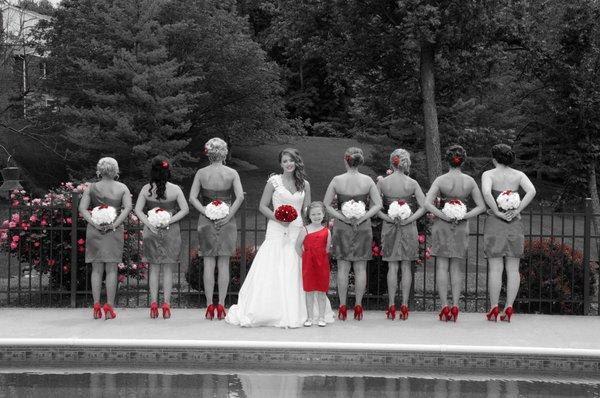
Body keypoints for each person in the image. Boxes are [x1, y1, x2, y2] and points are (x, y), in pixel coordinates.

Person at [225, 148, 334, 327]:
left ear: (296, 162)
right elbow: (262, 206)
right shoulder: (274, 182)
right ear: (280, 164)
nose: (288, 164)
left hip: (297, 228)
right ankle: (269, 310)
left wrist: (312, 226)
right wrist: (279, 218)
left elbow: (306, 210)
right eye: (285, 161)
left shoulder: (304, 184)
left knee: (298, 264)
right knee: (273, 264)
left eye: (291, 160)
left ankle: (305, 312)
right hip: (277, 228)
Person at [424, 145, 486, 322]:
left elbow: (427, 203)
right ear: (463, 160)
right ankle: (456, 306)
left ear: (447, 160)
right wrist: (463, 215)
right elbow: (481, 206)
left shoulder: (440, 180)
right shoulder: (469, 181)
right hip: (461, 226)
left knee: (442, 266)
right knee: (456, 267)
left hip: (442, 225)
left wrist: (443, 214)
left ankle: (444, 307)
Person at [323, 147, 382, 320]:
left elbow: (326, 204)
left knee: (343, 268)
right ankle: (358, 306)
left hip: (342, 226)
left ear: (345, 160)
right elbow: (377, 205)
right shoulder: (368, 180)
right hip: (363, 227)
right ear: (360, 161)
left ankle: (342, 307)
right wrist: (364, 216)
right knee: (360, 268)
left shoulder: (337, 180)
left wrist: (343, 217)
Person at [189, 138, 244, 320]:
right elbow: (239, 198)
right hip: (227, 221)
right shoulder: (232, 173)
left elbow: (192, 198)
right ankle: (221, 304)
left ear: (208, 152)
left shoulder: (201, 173)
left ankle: (208, 306)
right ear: (225, 152)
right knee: (223, 263)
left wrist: (206, 211)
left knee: (208, 263)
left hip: (206, 221)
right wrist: (228, 216)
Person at [482, 144, 536, 322]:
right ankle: (509, 307)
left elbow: (486, 192)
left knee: (495, 268)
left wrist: (496, 211)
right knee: (513, 269)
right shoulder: (518, 175)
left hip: (495, 224)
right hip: (514, 223)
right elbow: (532, 191)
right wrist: (517, 209)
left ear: (495, 158)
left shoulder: (488, 174)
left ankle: (494, 307)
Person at [134, 157, 189, 319]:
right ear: (167, 172)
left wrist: (149, 224)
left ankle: (153, 304)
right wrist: (169, 220)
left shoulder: (146, 189)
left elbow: (138, 210)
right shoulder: (175, 189)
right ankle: (166, 304)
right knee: (168, 269)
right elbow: (184, 210)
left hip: (151, 231)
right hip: (171, 231)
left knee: (154, 269)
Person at [79, 157, 132, 320]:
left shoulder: (91, 187)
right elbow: (128, 208)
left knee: (96, 270)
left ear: (99, 170)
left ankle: (96, 305)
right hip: (113, 231)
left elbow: (82, 208)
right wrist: (114, 224)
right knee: (111, 269)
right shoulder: (122, 187)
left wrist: (94, 222)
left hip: (95, 230)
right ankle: (109, 305)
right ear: (115, 171)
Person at [377, 149, 425, 321]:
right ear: (407, 163)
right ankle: (404, 305)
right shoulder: (412, 183)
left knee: (392, 267)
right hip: (408, 227)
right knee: (406, 267)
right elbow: (424, 206)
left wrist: (387, 217)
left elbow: (375, 208)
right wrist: (409, 219)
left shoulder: (383, 183)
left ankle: (391, 305)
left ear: (392, 162)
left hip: (390, 227)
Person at [296, 201, 331, 327]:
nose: (317, 216)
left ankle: (321, 317)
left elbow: (327, 249)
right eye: (314, 214)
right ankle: (309, 317)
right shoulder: (304, 230)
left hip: (322, 264)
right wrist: (306, 257)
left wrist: (319, 256)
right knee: (309, 291)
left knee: (322, 291)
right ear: (309, 216)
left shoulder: (327, 231)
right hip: (308, 265)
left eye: (319, 214)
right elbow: (297, 247)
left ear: (323, 215)